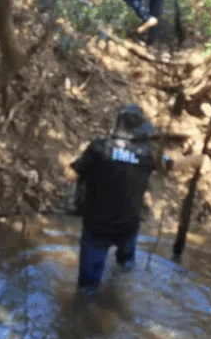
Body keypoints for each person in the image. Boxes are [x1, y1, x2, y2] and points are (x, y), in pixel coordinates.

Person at [64, 103, 203, 297]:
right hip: (128, 227)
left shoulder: (99, 147)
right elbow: (174, 165)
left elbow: (71, 175)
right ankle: (120, 299)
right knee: (125, 270)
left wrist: (71, 159)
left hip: (97, 228)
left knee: (87, 289)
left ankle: (82, 317)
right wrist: (198, 159)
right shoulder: (148, 154)